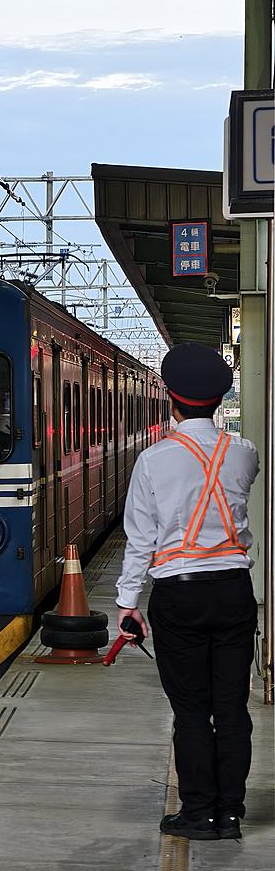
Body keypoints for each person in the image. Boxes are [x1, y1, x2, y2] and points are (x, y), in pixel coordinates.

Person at [115, 342, 259, 841]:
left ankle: (199, 813)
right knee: (232, 708)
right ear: (218, 401)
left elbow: (141, 540)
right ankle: (231, 813)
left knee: (193, 710)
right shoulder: (244, 454)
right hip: (235, 591)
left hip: (179, 595)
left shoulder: (153, 460)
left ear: (170, 398)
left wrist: (128, 605)